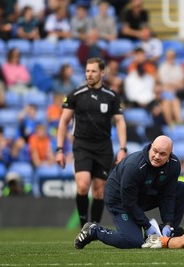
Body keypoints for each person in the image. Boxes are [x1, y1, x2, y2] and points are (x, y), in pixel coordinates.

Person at [73, 135, 184, 249]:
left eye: (163, 154)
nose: (157, 156)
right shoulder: (134, 166)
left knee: (182, 189)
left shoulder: (174, 165)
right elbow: (128, 201)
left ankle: (168, 234)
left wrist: (168, 223)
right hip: (119, 199)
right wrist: (147, 225)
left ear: (169, 156)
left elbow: (168, 196)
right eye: (155, 151)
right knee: (133, 241)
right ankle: (94, 230)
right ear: (151, 146)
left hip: (144, 194)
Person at [55, 57, 128, 228]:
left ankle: (93, 227)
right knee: (82, 185)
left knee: (98, 190)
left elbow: (120, 122)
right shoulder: (75, 95)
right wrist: (59, 149)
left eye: (93, 71)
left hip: (103, 147)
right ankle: (83, 226)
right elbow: (63, 122)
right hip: (82, 145)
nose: (89, 74)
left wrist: (123, 148)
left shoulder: (111, 96)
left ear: (102, 73)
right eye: (87, 71)